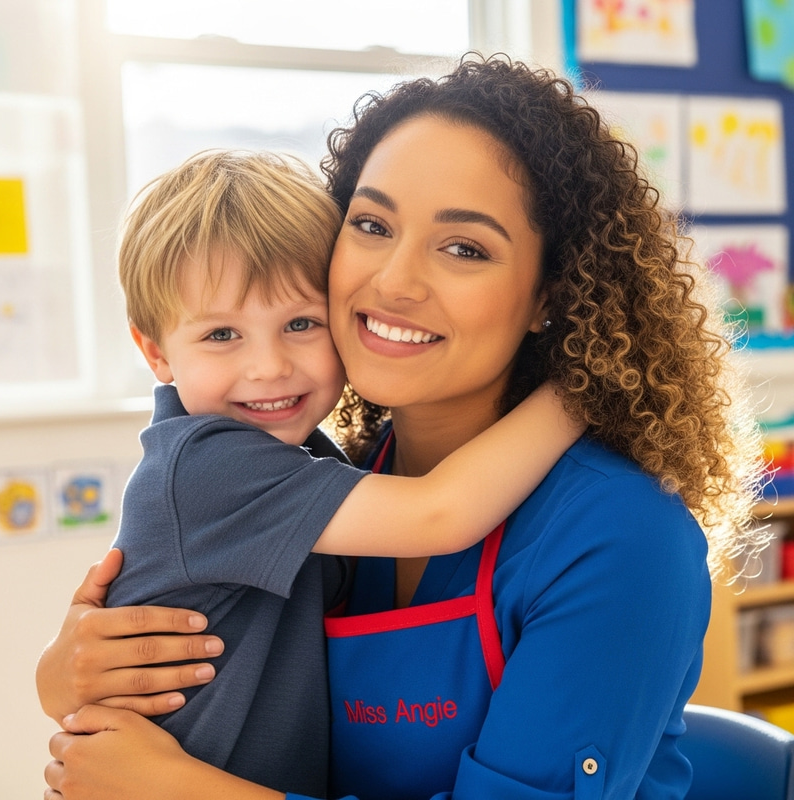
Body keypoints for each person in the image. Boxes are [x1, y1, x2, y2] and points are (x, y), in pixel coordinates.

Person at [39, 54, 767, 800]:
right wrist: (68, 672)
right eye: (372, 224)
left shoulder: (619, 533)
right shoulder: (348, 474)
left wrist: (176, 789)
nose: (393, 281)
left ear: (553, 294)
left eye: (464, 248)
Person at [77, 147, 582, 797]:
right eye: (222, 335)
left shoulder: (306, 455)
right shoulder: (206, 465)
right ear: (155, 352)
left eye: (300, 323)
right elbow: (441, 512)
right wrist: (581, 390)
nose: (269, 366)